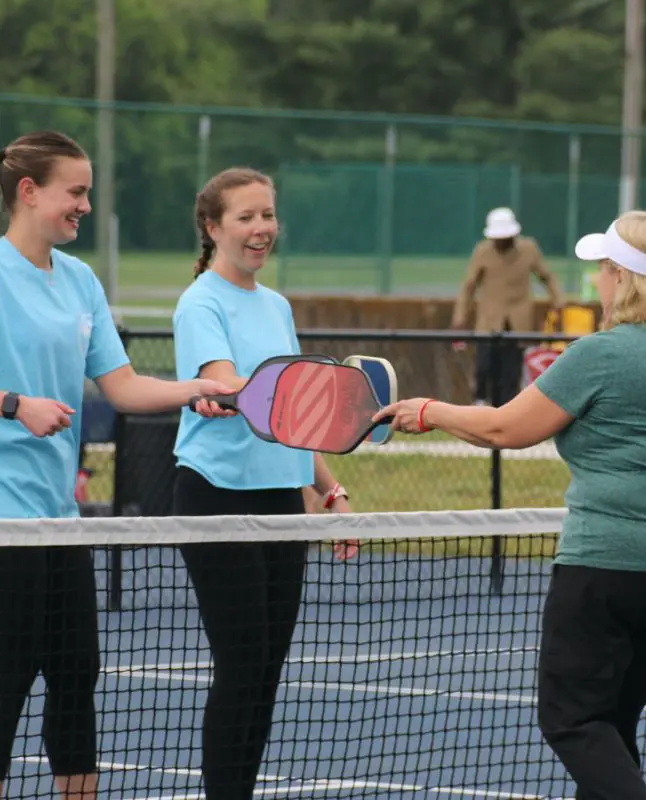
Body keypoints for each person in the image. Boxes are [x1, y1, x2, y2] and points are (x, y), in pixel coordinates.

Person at [378, 210, 646, 799]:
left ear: (621, 275)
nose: (598, 281)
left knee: (573, 720)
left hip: (608, 569)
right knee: (611, 723)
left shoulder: (599, 354)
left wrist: (429, 411)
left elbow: (504, 430)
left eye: (603, 269)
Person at [0, 130, 232, 800]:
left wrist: (198, 389)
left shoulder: (81, 280)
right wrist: (14, 405)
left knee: (77, 669)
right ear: (28, 193)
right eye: (76, 192)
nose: (85, 204)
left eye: (88, 192)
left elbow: (122, 387)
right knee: (10, 668)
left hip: (57, 516)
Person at [171, 166, 358, 800]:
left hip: (282, 500)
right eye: (246, 217)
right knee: (243, 663)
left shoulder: (276, 306)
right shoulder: (200, 302)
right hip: (216, 495)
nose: (261, 229)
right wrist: (226, 396)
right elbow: (232, 385)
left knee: (266, 670)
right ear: (213, 226)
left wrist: (329, 491)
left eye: (268, 215)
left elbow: (297, 413)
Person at [452, 207, 564, 404]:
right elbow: (469, 286)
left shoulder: (528, 249)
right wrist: (460, 317)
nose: (502, 242)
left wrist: (558, 303)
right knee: (484, 367)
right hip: (489, 321)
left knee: (510, 373)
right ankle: (480, 403)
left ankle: (505, 410)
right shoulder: (483, 251)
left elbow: (547, 277)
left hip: (518, 322)